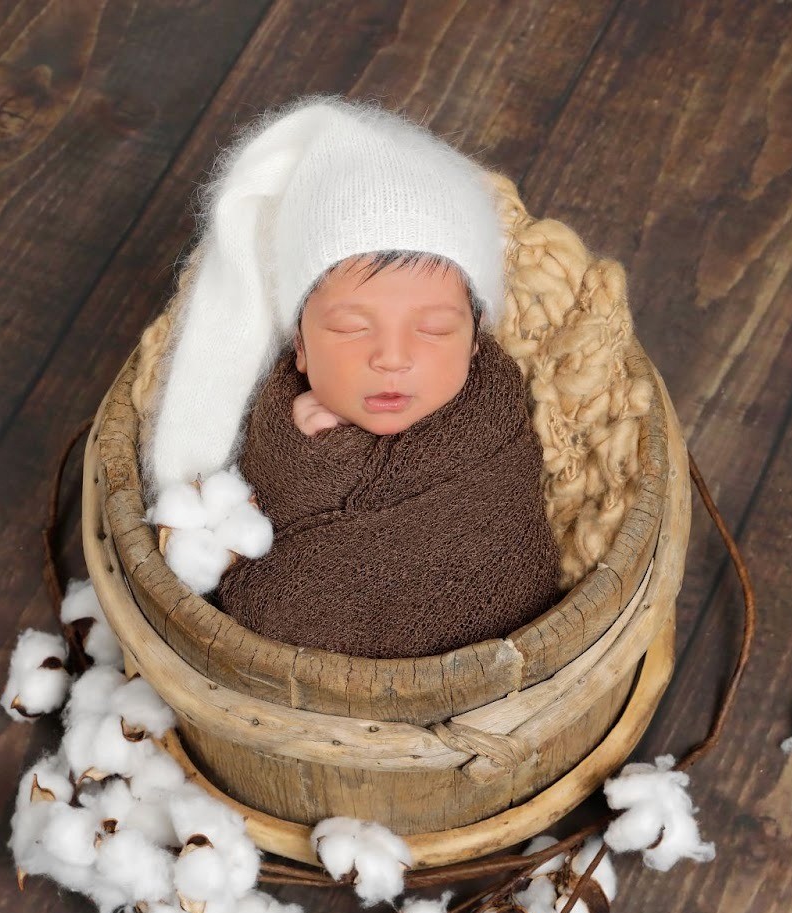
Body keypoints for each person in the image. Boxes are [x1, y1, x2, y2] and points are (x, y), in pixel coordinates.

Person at [146, 97, 562, 658]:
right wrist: (299, 452)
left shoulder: (493, 409)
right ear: (300, 347)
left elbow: (506, 515)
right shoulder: (280, 414)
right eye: (349, 328)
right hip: (313, 656)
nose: (392, 357)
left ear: (475, 339)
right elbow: (261, 515)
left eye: (435, 329)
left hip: (500, 635)